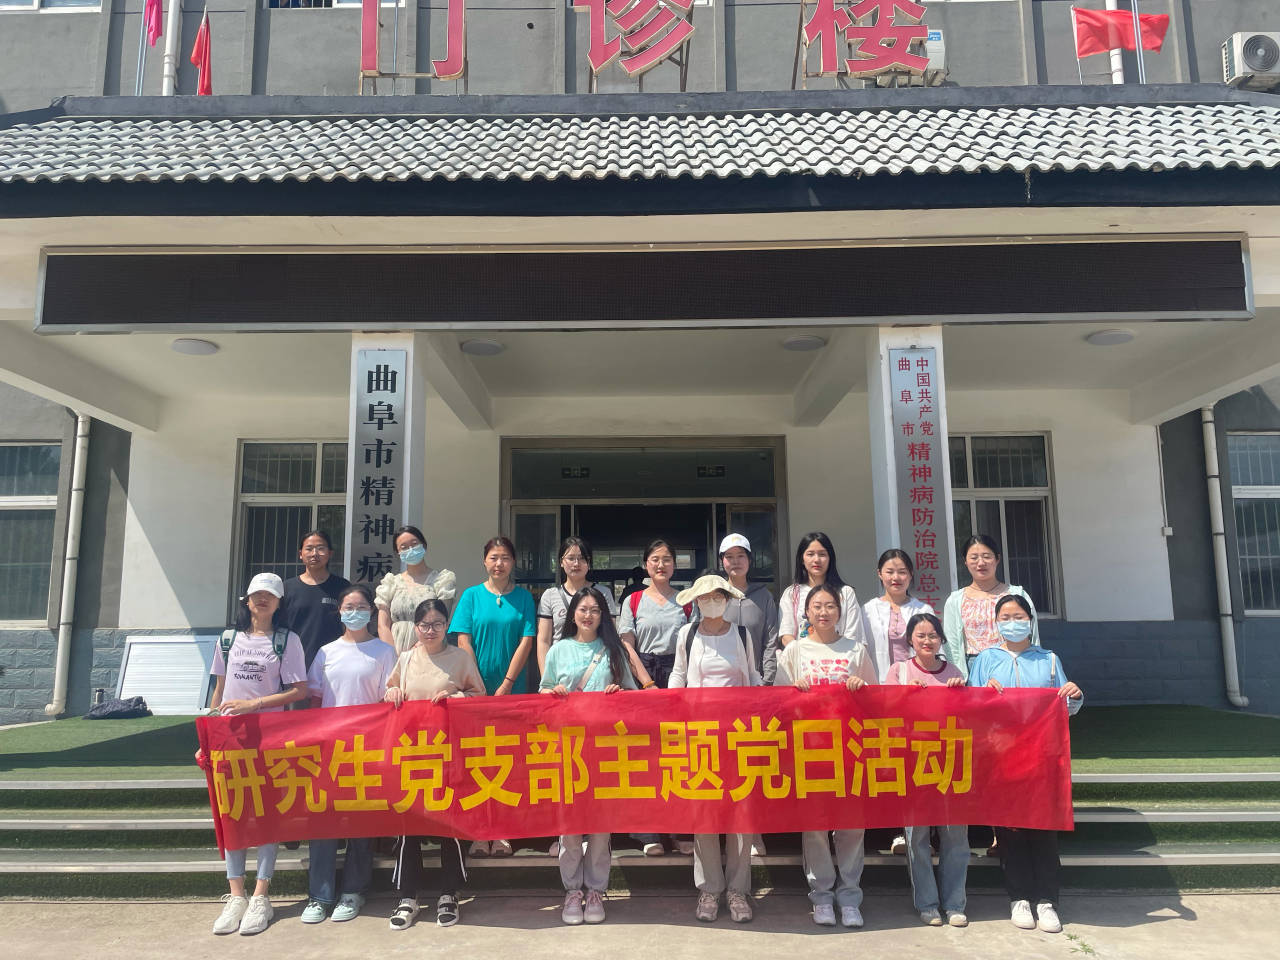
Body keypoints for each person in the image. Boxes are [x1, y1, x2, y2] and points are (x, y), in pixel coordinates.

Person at [969, 593, 1083, 935]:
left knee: (1044, 829)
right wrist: (984, 692)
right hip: (1002, 758)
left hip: (1042, 758)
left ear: (1030, 621)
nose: (1012, 622)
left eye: (1018, 616)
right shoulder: (986, 659)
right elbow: (971, 708)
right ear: (996, 623)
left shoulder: (1049, 659)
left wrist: (1074, 695)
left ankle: (1047, 900)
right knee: (1010, 831)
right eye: (1005, 617)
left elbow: (1064, 707)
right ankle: (1018, 897)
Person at [207, 572, 308, 936]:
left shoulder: (287, 640)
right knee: (233, 811)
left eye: (270, 595)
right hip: (229, 738)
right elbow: (219, 690)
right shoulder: (227, 639)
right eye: (256, 594)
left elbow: (299, 690)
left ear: (279, 603)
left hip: (268, 737)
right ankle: (236, 895)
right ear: (246, 600)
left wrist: (256, 704)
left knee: (266, 813)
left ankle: (262, 895)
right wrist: (208, 734)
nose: (262, 600)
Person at [774, 582, 876, 929]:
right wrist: (794, 691)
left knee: (851, 827)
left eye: (830, 606)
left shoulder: (855, 650)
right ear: (806, 613)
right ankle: (821, 896)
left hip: (850, 751)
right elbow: (778, 703)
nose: (823, 612)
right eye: (816, 606)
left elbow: (876, 700)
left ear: (840, 611)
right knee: (815, 827)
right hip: (810, 751)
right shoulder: (794, 651)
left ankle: (850, 896)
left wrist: (860, 689)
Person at [384, 598, 486, 930]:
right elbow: (391, 688)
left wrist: (457, 698)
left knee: (449, 828)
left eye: (438, 624)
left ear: (447, 626)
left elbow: (479, 697)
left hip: (449, 756)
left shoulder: (460, 658)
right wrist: (391, 694)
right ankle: (408, 896)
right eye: (425, 625)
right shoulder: (406, 658)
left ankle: (449, 893)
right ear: (415, 628)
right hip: (412, 756)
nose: (431, 630)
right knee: (409, 828)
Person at [539, 586, 637, 925]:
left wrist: (618, 693)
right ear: (573, 614)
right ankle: (571, 891)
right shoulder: (558, 650)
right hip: (568, 748)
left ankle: (596, 889)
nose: (588, 615)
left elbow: (632, 696)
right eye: (583, 609)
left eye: (595, 610)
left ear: (603, 616)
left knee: (600, 825)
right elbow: (543, 691)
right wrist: (553, 692)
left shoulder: (614, 650)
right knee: (569, 825)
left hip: (605, 750)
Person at [301, 584, 398, 924]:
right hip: (329, 749)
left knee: (361, 823)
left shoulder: (384, 652)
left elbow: (388, 702)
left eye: (360, 606)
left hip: (367, 749)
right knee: (323, 822)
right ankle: (320, 895)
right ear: (339, 611)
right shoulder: (326, 652)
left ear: (371, 611)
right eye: (348, 606)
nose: (354, 612)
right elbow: (315, 701)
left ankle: (354, 890)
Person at [669, 574, 760, 924]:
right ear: (696, 602)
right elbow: (679, 675)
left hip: (738, 737)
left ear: (727, 599)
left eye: (717, 596)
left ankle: (738, 890)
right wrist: (671, 707)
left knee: (740, 815)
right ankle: (709, 889)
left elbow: (751, 678)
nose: (711, 602)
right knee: (705, 813)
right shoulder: (687, 634)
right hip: (700, 737)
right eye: (705, 597)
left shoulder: (742, 634)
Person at [450, 535, 537, 858]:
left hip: (512, 694)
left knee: (508, 762)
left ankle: (502, 832)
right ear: (484, 561)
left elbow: (527, 641)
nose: (499, 563)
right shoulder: (471, 596)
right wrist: (477, 685)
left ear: (513, 562)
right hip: (475, 694)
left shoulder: (524, 598)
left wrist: (507, 684)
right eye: (493, 557)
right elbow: (463, 640)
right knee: (476, 762)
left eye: (505, 558)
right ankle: (478, 832)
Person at [885, 613, 969, 928]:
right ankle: (927, 903)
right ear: (910, 639)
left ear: (941, 639)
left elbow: (969, 716)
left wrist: (960, 692)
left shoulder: (954, 672)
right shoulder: (898, 671)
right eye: (920, 635)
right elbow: (885, 714)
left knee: (955, 836)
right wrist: (903, 695)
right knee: (916, 837)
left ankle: (955, 903)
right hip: (913, 763)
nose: (927, 641)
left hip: (950, 762)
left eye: (933, 635)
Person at [617, 538, 687, 855]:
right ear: (646, 564)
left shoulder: (686, 600)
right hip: (641, 675)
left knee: (677, 755)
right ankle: (648, 833)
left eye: (667, 559)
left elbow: (691, 643)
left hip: (677, 676)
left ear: (674, 564)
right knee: (643, 755)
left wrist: (676, 685)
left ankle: (680, 830)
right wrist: (646, 684)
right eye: (655, 559)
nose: (661, 565)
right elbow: (626, 645)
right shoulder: (633, 601)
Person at [942, 534, 1039, 680]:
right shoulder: (955, 600)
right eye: (974, 558)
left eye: (987, 556)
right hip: (972, 667)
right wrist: (957, 675)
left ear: (997, 559)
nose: (981, 563)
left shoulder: (1017, 594)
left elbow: (1033, 635)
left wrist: (1033, 665)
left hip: (1013, 662)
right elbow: (951, 644)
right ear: (965, 562)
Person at [536, 537, 619, 674]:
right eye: (571, 558)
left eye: (582, 558)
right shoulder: (550, 596)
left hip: (596, 668)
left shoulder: (603, 593)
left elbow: (610, 635)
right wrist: (547, 678)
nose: (576, 563)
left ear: (589, 563)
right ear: (561, 562)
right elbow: (543, 641)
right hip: (560, 668)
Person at [778, 533, 869, 652]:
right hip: (803, 660)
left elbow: (854, 635)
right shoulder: (791, 593)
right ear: (802, 559)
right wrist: (805, 655)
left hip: (839, 659)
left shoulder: (845, 592)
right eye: (810, 554)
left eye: (822, 554)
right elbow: (786, 635)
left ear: (830, 558)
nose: (816, 560)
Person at [375, 525, 457, 654]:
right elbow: (383, 625)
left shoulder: (442, 580)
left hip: (430, 649)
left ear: (424, 545)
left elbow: (441, 619)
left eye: (414, 544)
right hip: (395, 652)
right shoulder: (391, 583)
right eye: (404, 547)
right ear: (398, 553)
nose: (410, 550)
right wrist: (393, 655)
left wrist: (416, 652)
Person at [716, 533, 780, 685]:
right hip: (722, 681)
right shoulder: (715, 595)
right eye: (729, 557)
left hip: (757, 681)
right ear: (722, 561)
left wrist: (767, 679)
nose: (735, 561)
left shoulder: (764, 596)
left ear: (749, 560)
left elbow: (770, 640)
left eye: (741, 556)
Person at [280, 530, 350, 668]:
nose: (314, 553)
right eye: (309, 548)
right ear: (300, 554)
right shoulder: (286, 588)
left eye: (321, 548)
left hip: (333, 662)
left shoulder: (343, 587)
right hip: (293, 663)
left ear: (330, 553)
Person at [863, 549, 935, 683]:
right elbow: (862, 650)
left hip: (917, 683)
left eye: (902, 572)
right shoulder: (868, 610)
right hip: (879, 683)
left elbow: (936, 650)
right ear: (880, 574)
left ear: (911, 574)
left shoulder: (923, 610)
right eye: (890, 572)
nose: (896, 577)